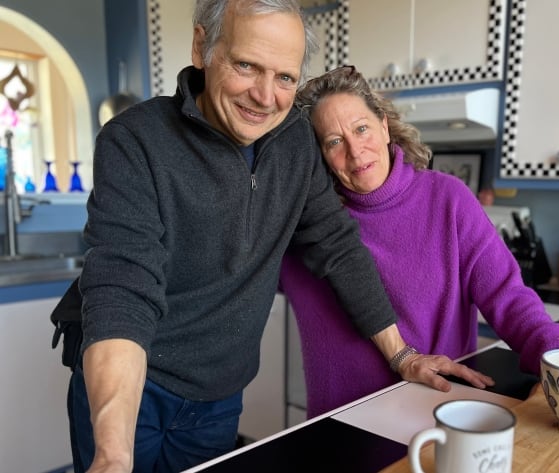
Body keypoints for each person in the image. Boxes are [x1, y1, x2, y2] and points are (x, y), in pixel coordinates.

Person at [65, 2, 489, 472]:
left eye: (285, 77)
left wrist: (404, 356)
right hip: (133, 386)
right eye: (246, 65)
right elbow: (124, 289)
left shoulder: (295, 144)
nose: (265, 97)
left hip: (219, 395)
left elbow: (339, 249)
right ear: (203, 46)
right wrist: (113, 454)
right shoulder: (135, 140)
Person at [280, 65, 559, 418]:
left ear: (384, 127)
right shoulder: (304, 224)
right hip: (338, 429)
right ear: (318, 157)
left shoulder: (447, 200)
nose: (355, 151)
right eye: (334, 141)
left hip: (436, 413)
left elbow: (509, 298)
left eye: (362, 129)